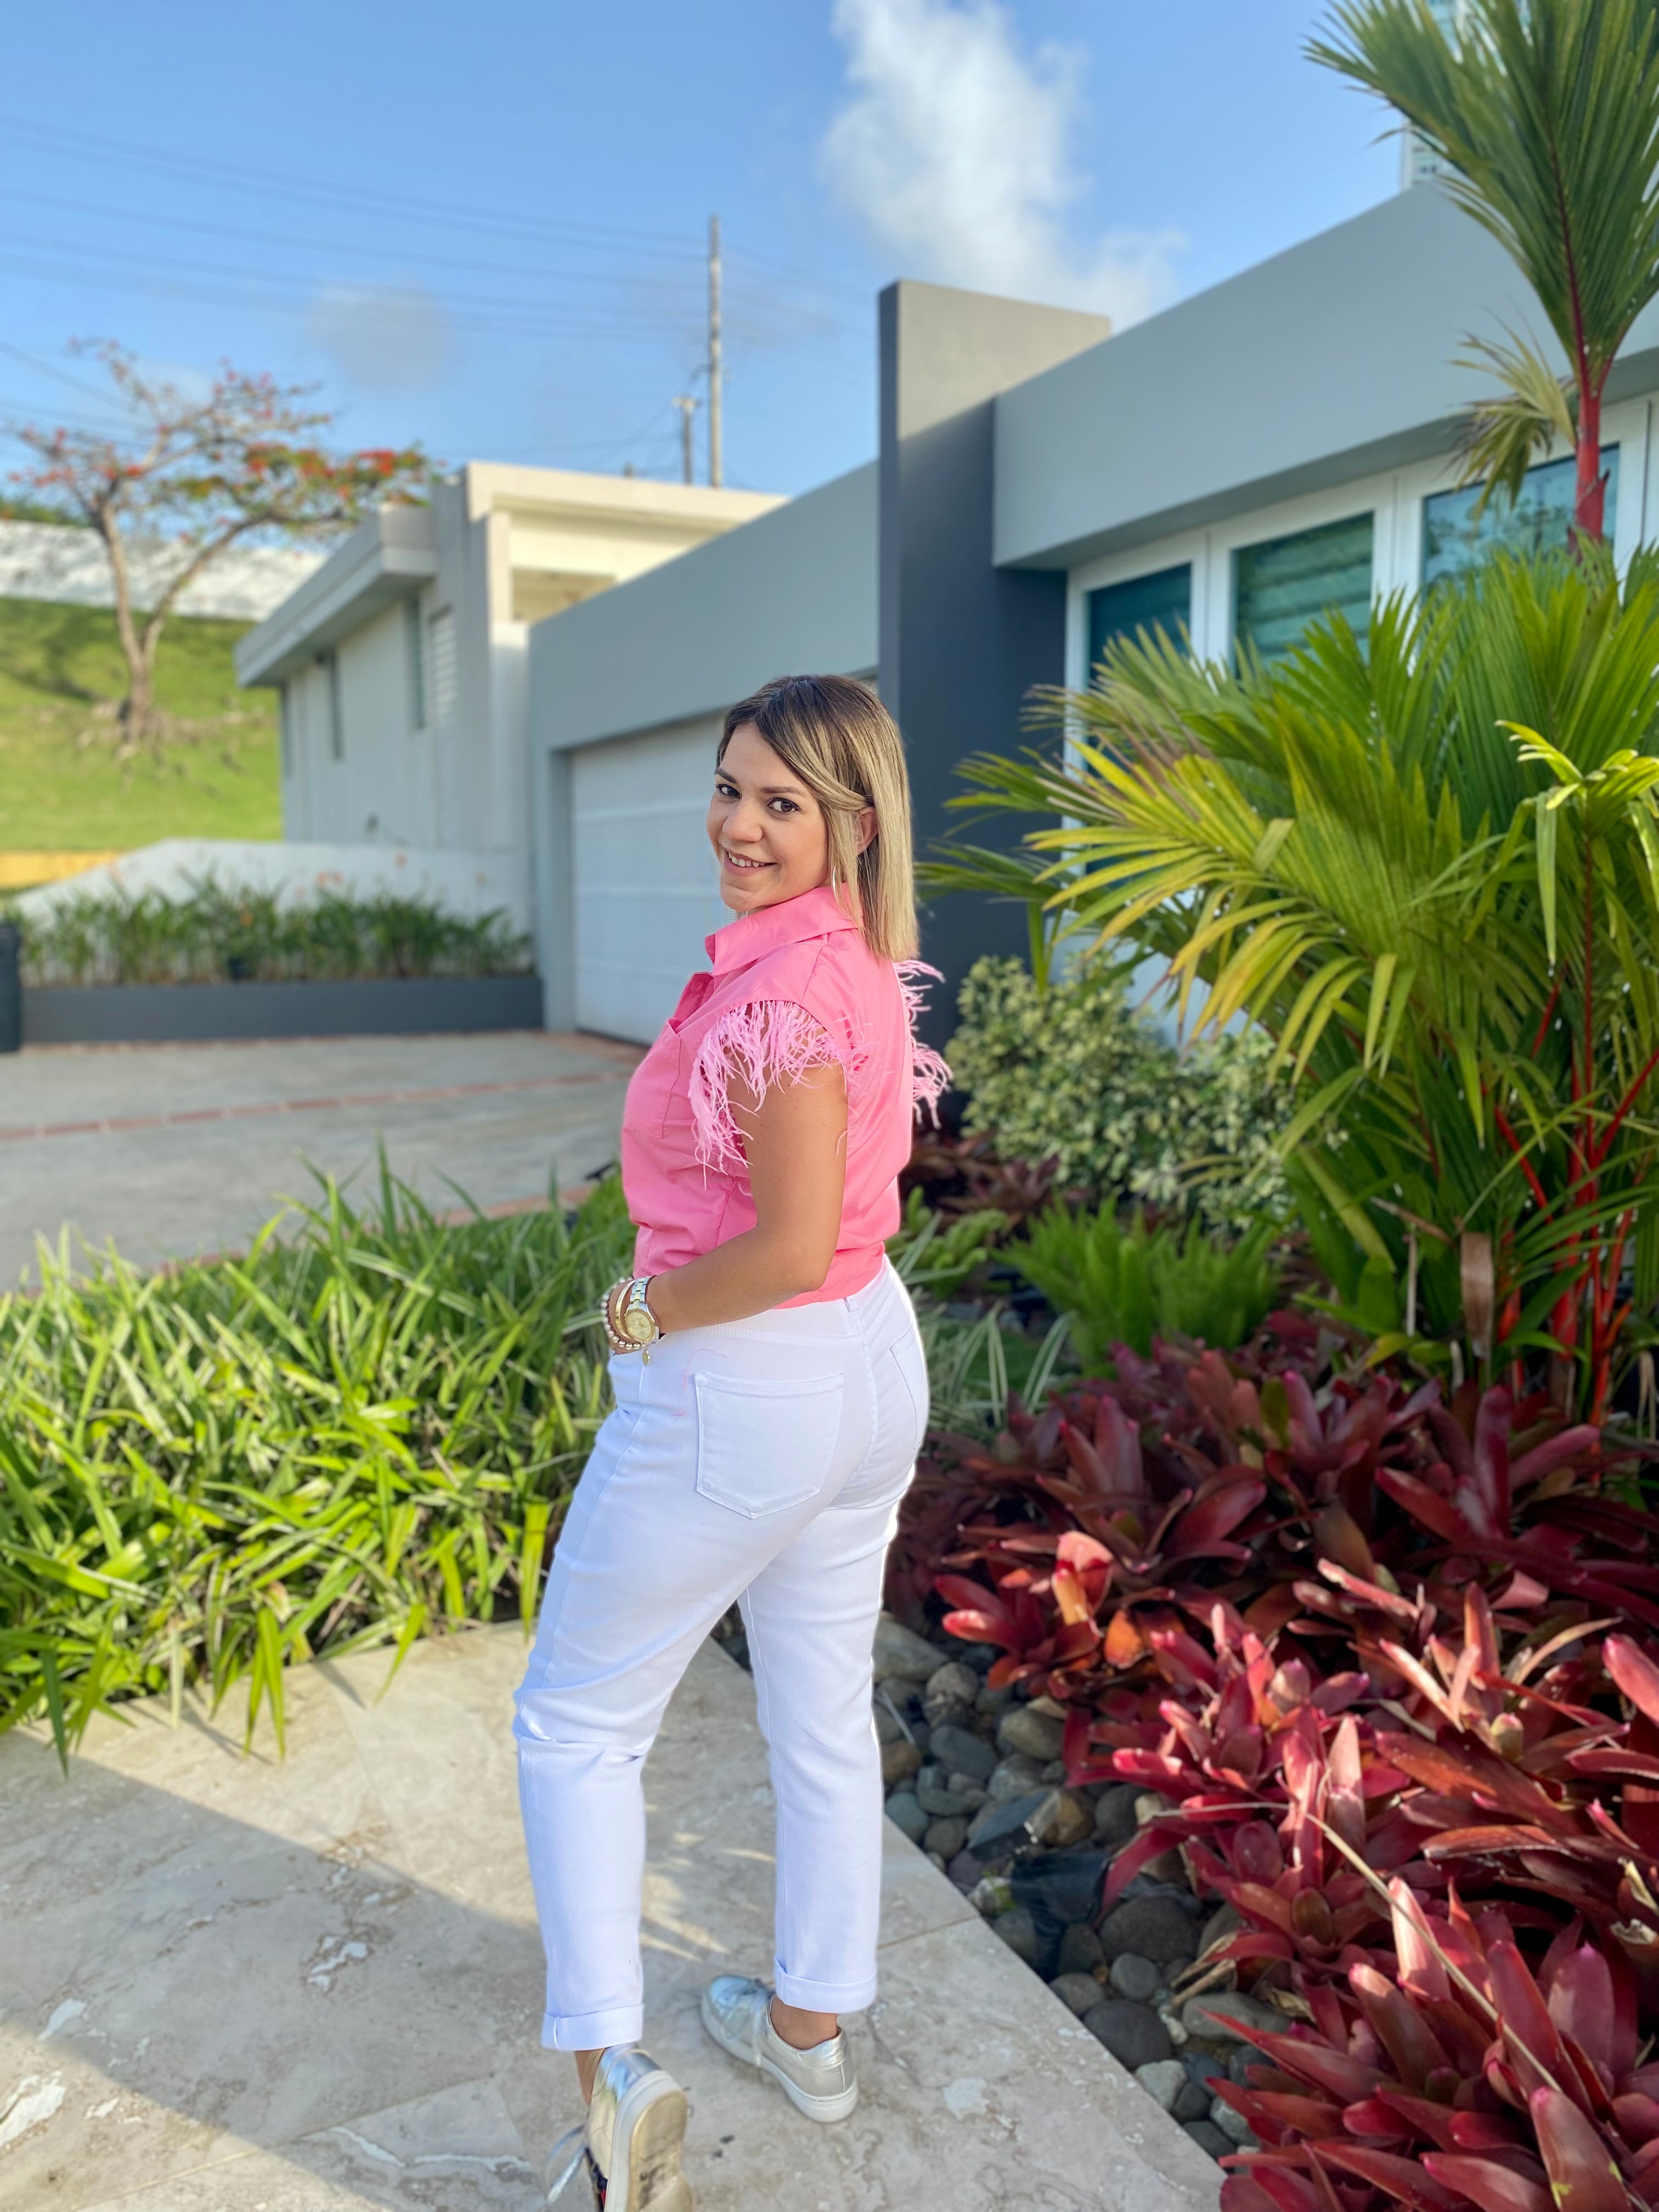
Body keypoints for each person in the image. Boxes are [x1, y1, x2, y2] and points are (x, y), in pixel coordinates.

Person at [516, 674, 946, 2211]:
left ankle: (608, 2100)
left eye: (783, 801)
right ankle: (807, 2030)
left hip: (752, 1370)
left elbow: (779, 1246)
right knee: (820, 1711)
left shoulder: (779, 997)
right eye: (729, 789)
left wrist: (638, 1314)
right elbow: (832, 1235)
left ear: (855, 818)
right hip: (865, 1363)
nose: (741, 826)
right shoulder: (853, 964)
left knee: (576, 1724)